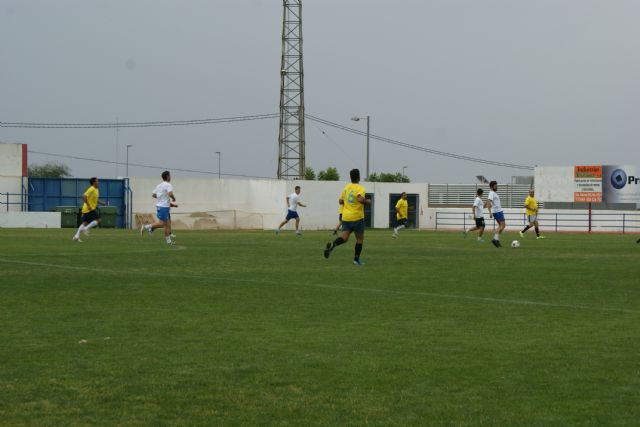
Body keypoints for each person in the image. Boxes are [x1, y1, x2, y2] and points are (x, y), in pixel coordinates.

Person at [324, 169, 371, 265]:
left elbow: (340, 201)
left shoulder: (346, 188)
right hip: (357, 217)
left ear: (351, 177)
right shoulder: (360, 188)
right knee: (359, 239)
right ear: (359, 177)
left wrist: (348, 203)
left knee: (344, 237)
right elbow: (360, 199)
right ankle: (356, 260)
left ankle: (333, 245)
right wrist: (367, 201)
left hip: (346, 217)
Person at [140, 170, 177, 245]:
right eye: (170, 175)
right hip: (164, 207)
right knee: (162, 224)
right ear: (167, 177)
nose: (170, 177)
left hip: (160, 206)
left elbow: (153, 194)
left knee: (166, 224)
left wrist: (161, 197)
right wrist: (173, 198)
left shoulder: (159, 185)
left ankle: (168, 242)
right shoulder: (168, 185)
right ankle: (146, 227)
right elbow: (170, 193)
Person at [72, 177, 106, 242]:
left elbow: (95, 199)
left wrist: (101, 203)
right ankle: (85, 229)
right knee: (98, 220)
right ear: (93, 183)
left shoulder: (96, 189)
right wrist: (88, 205)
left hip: (86, 209)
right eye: (97, 181)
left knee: (85, 222)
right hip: (89, 209)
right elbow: (84, 196)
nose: (98, 182)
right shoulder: (91, 189)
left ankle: (76, 236)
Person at [486, 180, 505, 248]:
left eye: (496, 186)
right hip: (497, 212)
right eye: (495, 186)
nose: (496, 187)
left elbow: (488, 202)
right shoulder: (491, 193)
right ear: (491, 187)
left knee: (501, 225)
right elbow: (488, 202)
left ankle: (496, 239)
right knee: (502, 225)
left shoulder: (493, 193)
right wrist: (490, 212)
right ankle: (495, 239)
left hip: (498, 211)